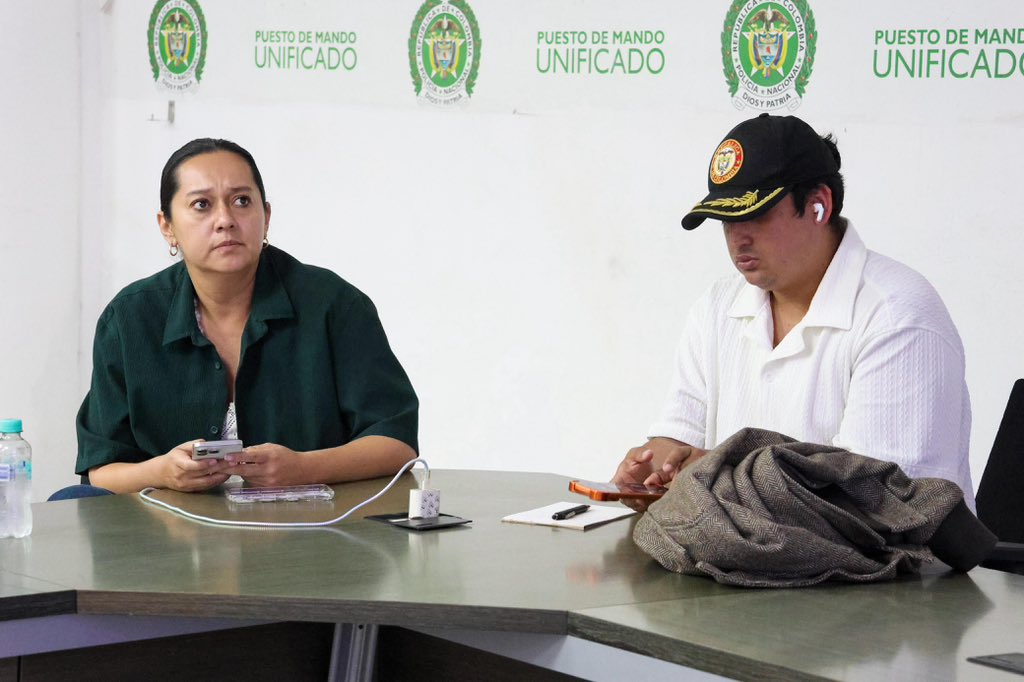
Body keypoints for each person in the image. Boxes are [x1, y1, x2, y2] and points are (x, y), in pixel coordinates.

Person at [612, 114, 974, 511]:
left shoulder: (898, 315)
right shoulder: (716, 307)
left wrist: (716, 474)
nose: (738, 237)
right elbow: (680, 437)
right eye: (726, 219)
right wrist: (653, 468)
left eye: (756, 214)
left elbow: (878, 501)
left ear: (819, 205)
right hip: (746, 546)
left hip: (892, 553)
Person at [73, 138, 418, 494]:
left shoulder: (334, 305)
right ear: (167, 226)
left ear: (265, 217)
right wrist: (161, 473)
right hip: (170, 524)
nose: (225, 220)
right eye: (202, 205)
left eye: (241, 201)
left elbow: (396, 443)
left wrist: (304, 468)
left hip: (310, 521)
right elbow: (101, 469)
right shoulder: (129, 319)